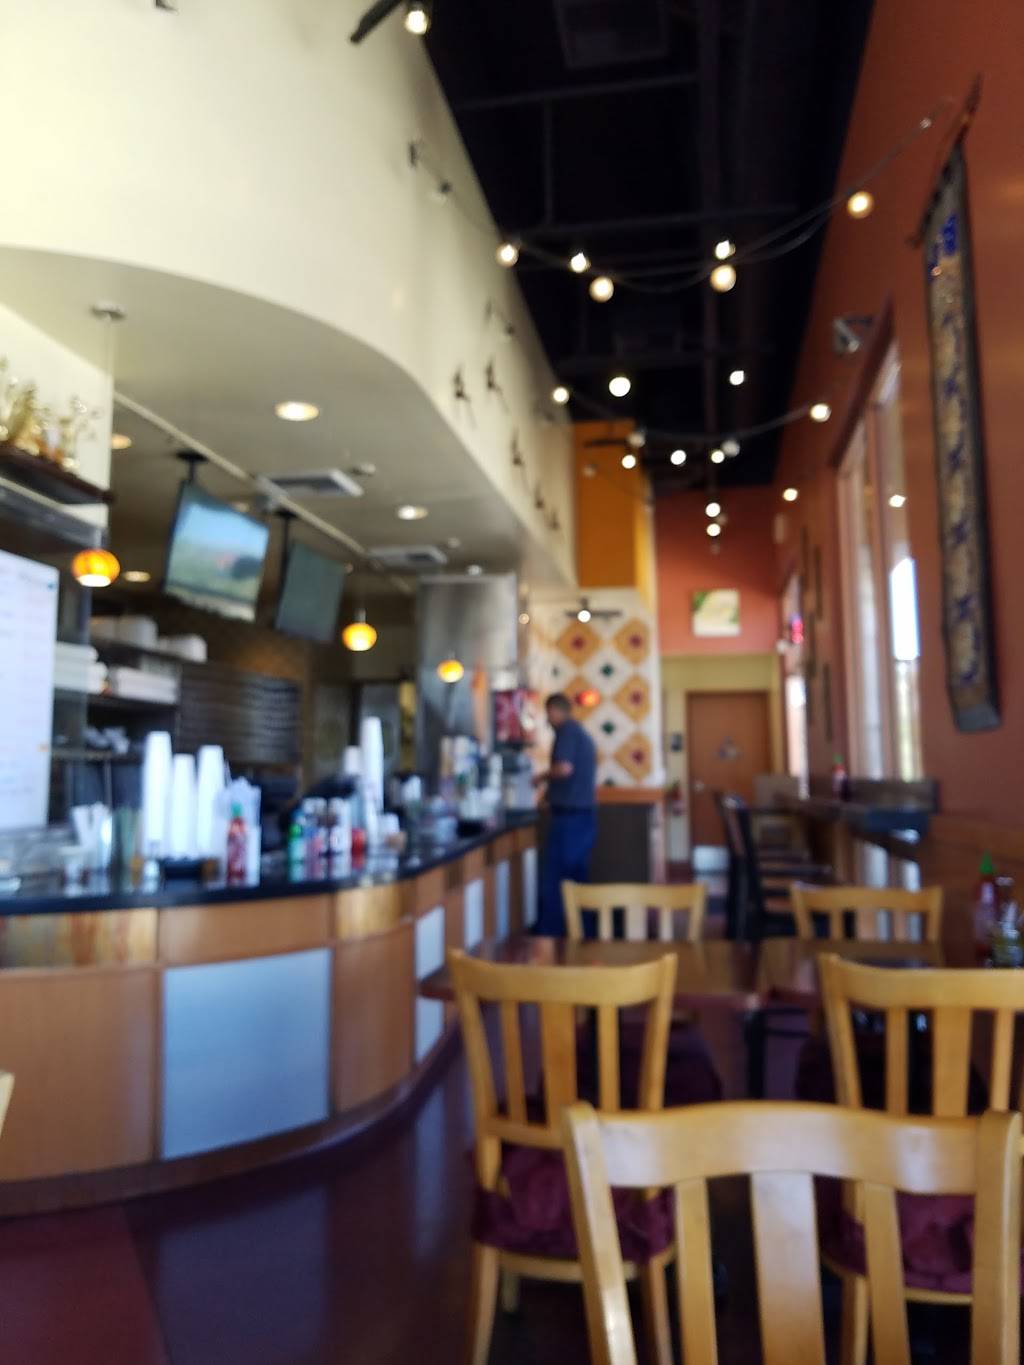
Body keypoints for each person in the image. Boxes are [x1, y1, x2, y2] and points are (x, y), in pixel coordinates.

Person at [534, 693, 597, 935]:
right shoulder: (579, 733)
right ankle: (582, 932)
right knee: (576, 876)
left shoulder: (567, 732)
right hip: (582, 816)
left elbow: (564, 768)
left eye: (548, 714)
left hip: (570, 819)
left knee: (560, 879)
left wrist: (540, 777)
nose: (547, 720)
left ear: (555, 711)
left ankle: (556, 935)